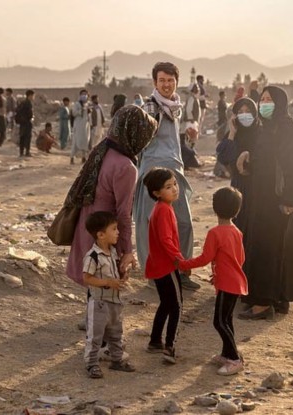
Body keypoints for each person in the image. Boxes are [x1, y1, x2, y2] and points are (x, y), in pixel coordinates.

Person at [64, 105, 158, 290]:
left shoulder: (103, 150)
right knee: (105, 290)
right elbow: (123, 214)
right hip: (105, 233)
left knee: (93, 284)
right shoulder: (126, 167)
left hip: (89, 225)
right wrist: (127, 251)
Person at [238, 85, 293, 319]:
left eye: (269, 99)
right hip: (263, 198)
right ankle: (279, 298)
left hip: (279, 199)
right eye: (262, 99)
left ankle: (262, 303)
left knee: (267, 247)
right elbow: (266, 159)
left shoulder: (285, 126)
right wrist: (249, 159)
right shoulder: (265, 128)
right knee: (275, 247)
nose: (264, 103)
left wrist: (292, 199)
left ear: (280, 103)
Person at [135, 61, 200, 291]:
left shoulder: (175, 107)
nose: (166, 84)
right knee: (150, 225)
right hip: (153, 172)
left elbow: (174, 141)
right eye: (162, 80)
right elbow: (141, 141)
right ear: (155, 82)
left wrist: (190, 136)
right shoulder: (150, 107)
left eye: (170, 80)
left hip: (175, 171)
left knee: (183, 222)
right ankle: (155, 274)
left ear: (176, 82)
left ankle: (182, 272)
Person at [177, 187, 247, 376]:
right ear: (237, 209)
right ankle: (227, 353)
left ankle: (234, 358)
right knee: (226, 319)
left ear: (215, 208)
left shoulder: (215, 233)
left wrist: (183, 263)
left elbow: (205, 258)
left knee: (219, 321)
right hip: (234, 281)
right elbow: (240, 258)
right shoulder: (236, 231)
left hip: (227, 283)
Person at [82, 211, 136, 379]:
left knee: (116, 333)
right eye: (114, 229)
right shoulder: (92, 256)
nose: (118, 232)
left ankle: (117, 360)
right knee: (95, 336)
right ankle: (92, 364)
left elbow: (115, 273)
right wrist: (108, 283)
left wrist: (122, 276)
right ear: (101, 235)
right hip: (99, 303)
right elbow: (87, 278)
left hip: (114, 302)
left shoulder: (112, 252)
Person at [142, 167, 184, 364]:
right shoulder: (164, 210)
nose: (175, 189)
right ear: (157, 193)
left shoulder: (161, 208)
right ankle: (170, 347)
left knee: (166, 303)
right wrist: (180, 260)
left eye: (174, 183)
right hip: (167, 266)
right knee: (176, 305)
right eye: (168, 186)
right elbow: (166, 240)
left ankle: (155, 341)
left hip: (157, 265)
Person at [218, 97, 259, 241]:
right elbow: (223, 157)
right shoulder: (233, 135)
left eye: (248, 111)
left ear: (255, 113)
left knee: (256, 230)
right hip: (238, 187)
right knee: (239, 230)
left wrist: (249, 158)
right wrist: (232, 132)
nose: (245, 114)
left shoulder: (261, 133)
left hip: (258, 188)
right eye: (240, 112)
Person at [71, 89, 90, 164]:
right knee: (76, 141)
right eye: (82, 94)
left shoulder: (88, 104)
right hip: (78, 125)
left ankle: (83, 157)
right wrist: (81, 110)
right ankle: (72, 157)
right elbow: (74, 113)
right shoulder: (77, 104)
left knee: (85, 141)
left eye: (85, 94)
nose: (84, 96)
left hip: (85, 126)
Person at [17, 89, 35, 157]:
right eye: (33, 95)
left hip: (22, 123)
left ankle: (21, 152)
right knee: (27, 137)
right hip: (27, 122)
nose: (33, 97)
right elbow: (30, 114)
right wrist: (31, 118)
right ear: (30, 95)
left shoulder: (22, 102)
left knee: (22, 137)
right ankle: (27, 152)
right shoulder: (28, 103)